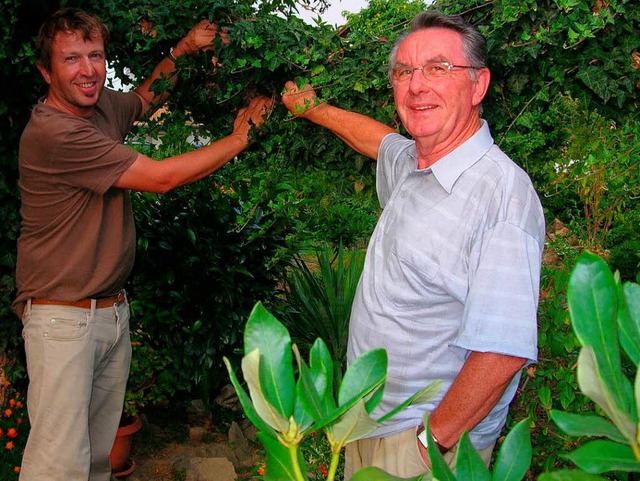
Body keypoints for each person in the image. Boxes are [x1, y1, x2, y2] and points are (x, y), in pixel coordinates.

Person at [282, 9, 545, 479]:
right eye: (404, 72)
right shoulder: (414, 165)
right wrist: (312, 108)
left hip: (424, 447)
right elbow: (376, 139)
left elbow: (503, 350)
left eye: (439, 68)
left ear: (478, 86)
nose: (417, 86)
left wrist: (429, 445)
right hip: (368, 427)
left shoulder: (500, 196)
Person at [13, 7, 272, 481]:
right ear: (46, 72)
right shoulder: (56, 133)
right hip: (63, 322)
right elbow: (162, 178)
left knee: (93, 463)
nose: (89, 69)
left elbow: (142, 98)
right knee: (56, 468)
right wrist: (242, 136)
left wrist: (183, 50)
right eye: (72, 59)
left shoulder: (97, 109)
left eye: (96, 55)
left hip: (108, 314)